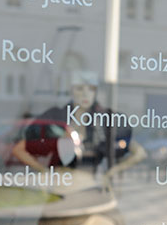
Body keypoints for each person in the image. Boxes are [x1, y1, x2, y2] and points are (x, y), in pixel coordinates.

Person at [12, 71, 145, 179]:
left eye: (91, 89)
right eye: (79, 88)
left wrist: (112, 172)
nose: (85, 93)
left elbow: (139, 153)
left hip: (92, 187)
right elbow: (18, 149)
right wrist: (46, 172)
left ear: (96, 92)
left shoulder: (105, 121)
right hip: (61, 186)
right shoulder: (56, 118)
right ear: (71, 91)